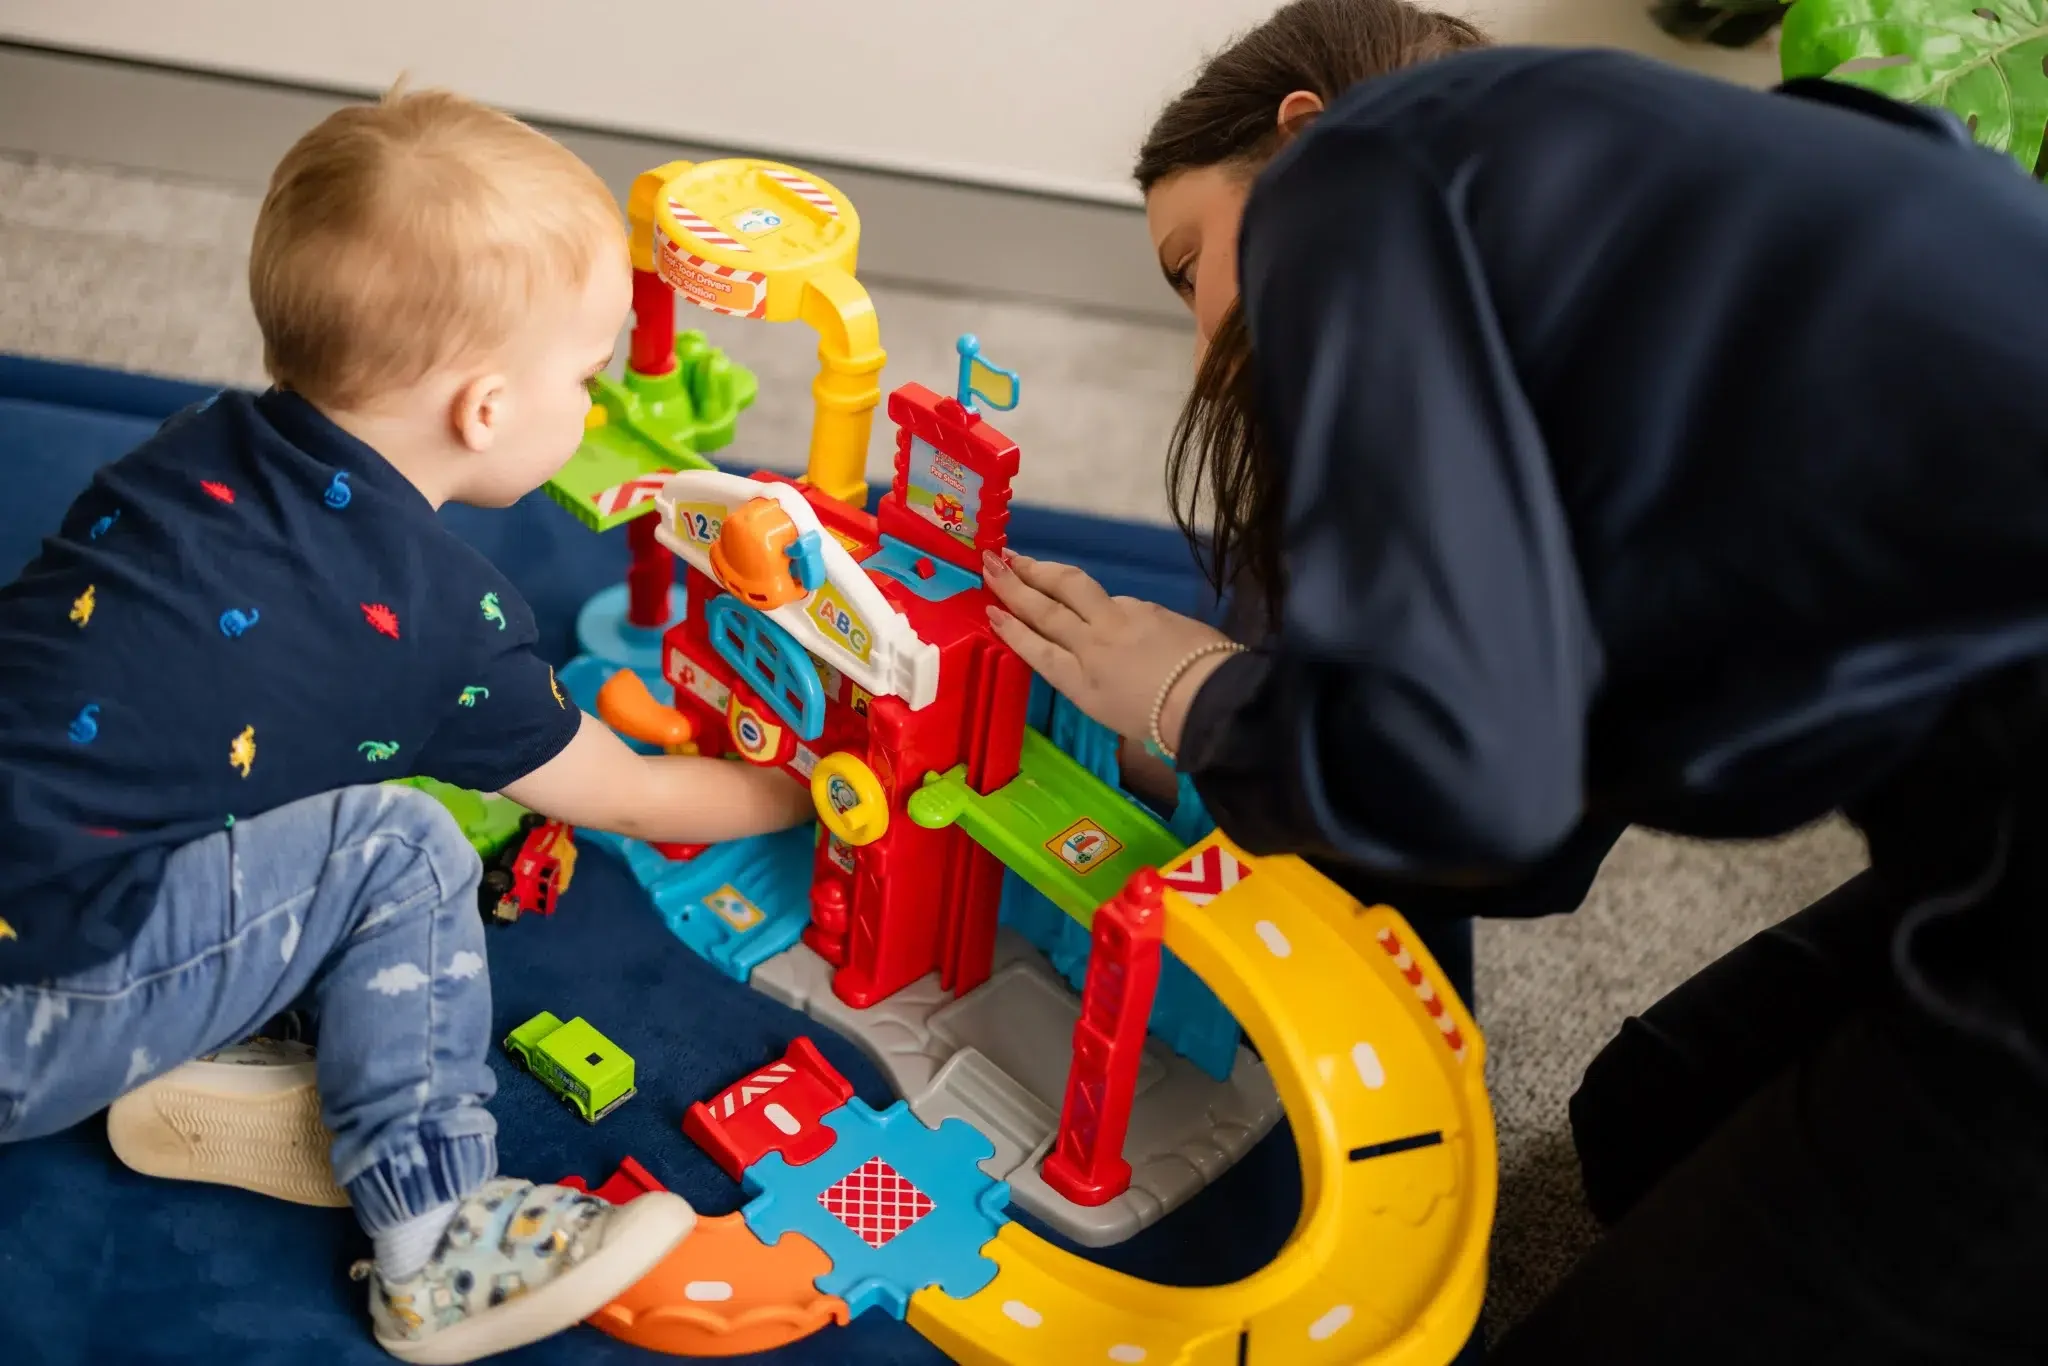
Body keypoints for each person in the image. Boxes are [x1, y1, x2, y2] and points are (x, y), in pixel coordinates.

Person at [982, 1, 2048, 1361]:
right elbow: (1531, 822)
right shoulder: (1640, 245)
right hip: (1978, 781)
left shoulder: (1371, 171)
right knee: (1637, 1118)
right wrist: (1244, 716)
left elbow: (1463, 784)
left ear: (1306, 135)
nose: (1201, 347)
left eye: (1192, 268)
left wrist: (1197, 694)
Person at [0, 90, 812, 1362]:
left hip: (36, 877)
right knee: (402, 844)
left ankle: (228, 1031)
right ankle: (438, 1246)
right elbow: (633, 799)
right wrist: (805, 790)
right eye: (587, 378)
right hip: (32, 1004)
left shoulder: (176, 451)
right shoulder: (444, 627)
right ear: (486, 410)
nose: (592, 409)